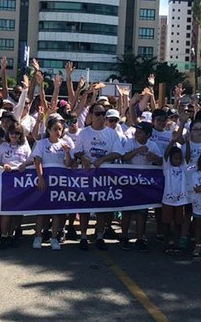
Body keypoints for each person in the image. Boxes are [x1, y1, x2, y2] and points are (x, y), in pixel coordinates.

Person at [71, 101, 123, 250]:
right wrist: (83, 157)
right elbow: (76, 151)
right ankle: (83, 237)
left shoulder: (112, 134)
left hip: (104, 177)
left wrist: (103, 159)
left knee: (101, 208)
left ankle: (99, 236)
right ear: (90, 116)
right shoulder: (84, 133)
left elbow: (118, 152)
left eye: (103, 114)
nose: (101, 117)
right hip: (86, 176)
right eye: (97, 113)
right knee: (85, 207)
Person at [31, 116, 74, 250]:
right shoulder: (42, 144)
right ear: (48, 130)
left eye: (60, 129)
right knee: (42, 211)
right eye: (55, 129)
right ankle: (38, 236)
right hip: (46, 180)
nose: (58, 132)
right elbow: (37, 161)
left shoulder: (64, 144)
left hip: (59, 182)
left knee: (56, 211)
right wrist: (40, 177)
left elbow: (68, 164)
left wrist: (67, 153)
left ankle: (54, 238)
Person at [120, 121, 158, 251]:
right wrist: (138, 150)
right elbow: (124, 157)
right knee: (127, 210)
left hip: (144, 183)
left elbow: (160, 161)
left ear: (148, 135)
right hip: (130, 181)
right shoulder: (130, 142)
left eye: (140, 132)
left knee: (142, 212)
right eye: (136, 131)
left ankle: (140, 238)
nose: (137, 133)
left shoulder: (153, 145)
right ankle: (124, 236)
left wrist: (154, 157)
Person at [0, 123, 31, 248]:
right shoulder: (2, 147)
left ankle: (11, 235)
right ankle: (3, 236)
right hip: (6, 181)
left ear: (21, 135)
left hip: (20, 182)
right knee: (7, 211)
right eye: (12, 132)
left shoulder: (25, 148)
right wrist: (3, 165)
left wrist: (25, 164)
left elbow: (31, 160)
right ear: (8, 134)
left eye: (17, 133)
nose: (14, 135)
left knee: (16, 211)